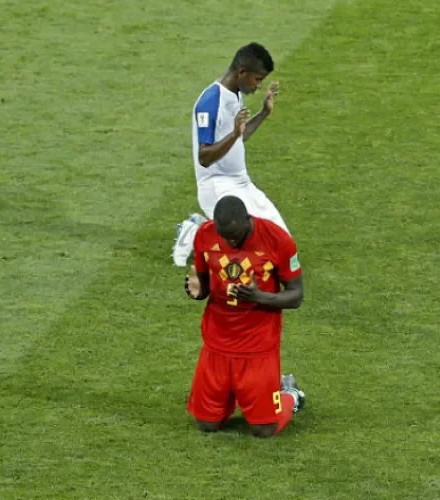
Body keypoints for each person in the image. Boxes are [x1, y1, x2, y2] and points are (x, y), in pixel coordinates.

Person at [183, 195, 305, 438]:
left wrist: (259, 297)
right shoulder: (205, 235)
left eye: (235, 236)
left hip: (257, 345)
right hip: (218, 341)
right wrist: (196, 292)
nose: (230, 241)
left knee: (264, 429)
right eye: (224, 236)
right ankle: (238, 394)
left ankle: (289, 393)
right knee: (207, 424)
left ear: (248, 220)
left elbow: (296, 295)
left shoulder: (277, 240)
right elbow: (204, 286)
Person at [172, 42, 290, 267]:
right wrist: (235, 133)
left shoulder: (235, 95)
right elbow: (204, 157)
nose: (258, 86)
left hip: (242, 183)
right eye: (257, 79)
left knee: (283, 244)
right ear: (242, 72)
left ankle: (203, 228)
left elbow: (238, 140)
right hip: (217, 186)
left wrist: (263, 114)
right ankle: (196, 233)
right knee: (260, 254)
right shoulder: (210, 102)